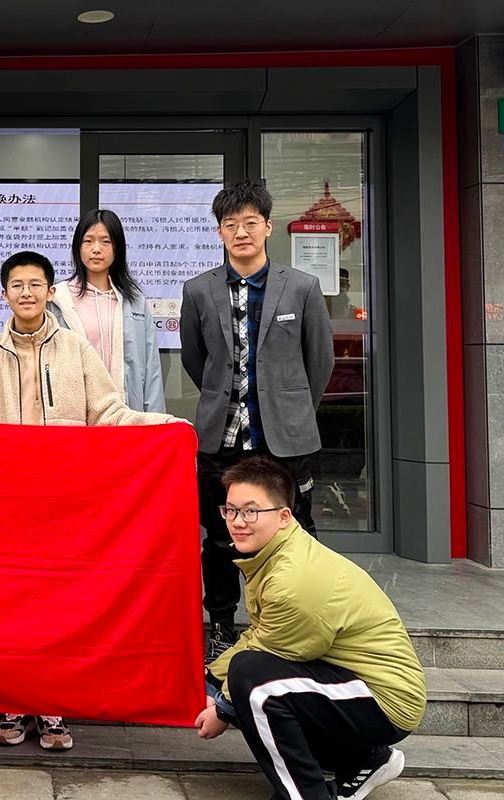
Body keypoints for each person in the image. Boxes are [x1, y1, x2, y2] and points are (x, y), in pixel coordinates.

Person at [0, 250, 178, 750]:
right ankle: (12, 701)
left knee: (57, 607)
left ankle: (53, 705)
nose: (27, 293)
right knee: (9, 606)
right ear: (4, 294)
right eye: (17, 285)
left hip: (63, 504)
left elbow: (108, 412)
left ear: (50, 292)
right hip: (7, 504)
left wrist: (162, 426)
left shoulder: (76, 350)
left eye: (36, 284)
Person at [196, 455, 426, 800]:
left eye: (251, 511)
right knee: (245, 676)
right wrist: (210, 681)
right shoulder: (273, 555)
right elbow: (261, 638)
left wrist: (224, 708)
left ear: (284, 516)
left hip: (383, 699)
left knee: (253, 683)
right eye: (230, 510)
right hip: (348, 683)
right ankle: (363, 760)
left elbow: (267, 653)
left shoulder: (293, 579)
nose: (238, 522)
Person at [179, 180, 334, 662]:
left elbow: (320, 362)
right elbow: (195, 359)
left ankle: (294, 625)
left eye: (250, 223)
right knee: (221, 535)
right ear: (219, 232)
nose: (241, 232)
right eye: (230, 224)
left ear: (268, 227)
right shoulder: (198, 290)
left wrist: (289, 407)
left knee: (295, 532)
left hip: (283, 440)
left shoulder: (302, 288)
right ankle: (222, 626)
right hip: (221, 439)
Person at [48, 209, 165, 411]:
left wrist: (155, 420)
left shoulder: (135, 302)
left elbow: (151, 369)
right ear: (77, 247)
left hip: (124, 412)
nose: (96, 249)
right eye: (88, 241)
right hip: (73, 413)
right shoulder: (57, 298)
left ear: (117, 248)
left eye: (105, 241)